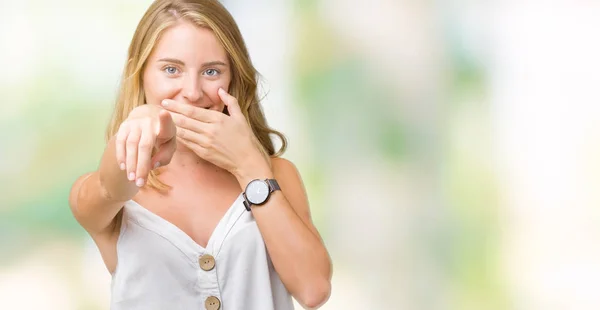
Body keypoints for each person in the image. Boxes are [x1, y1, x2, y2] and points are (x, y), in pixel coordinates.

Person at [68, 0, 332, 309]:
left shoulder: (277, 175)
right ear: (139, 73)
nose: (192, 92)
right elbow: (110, 185)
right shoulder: (105, 196)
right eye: (171, 69)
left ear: (233, 78)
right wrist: (134, 130)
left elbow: (313, 290)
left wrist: (249, 165)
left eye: (211, 71)